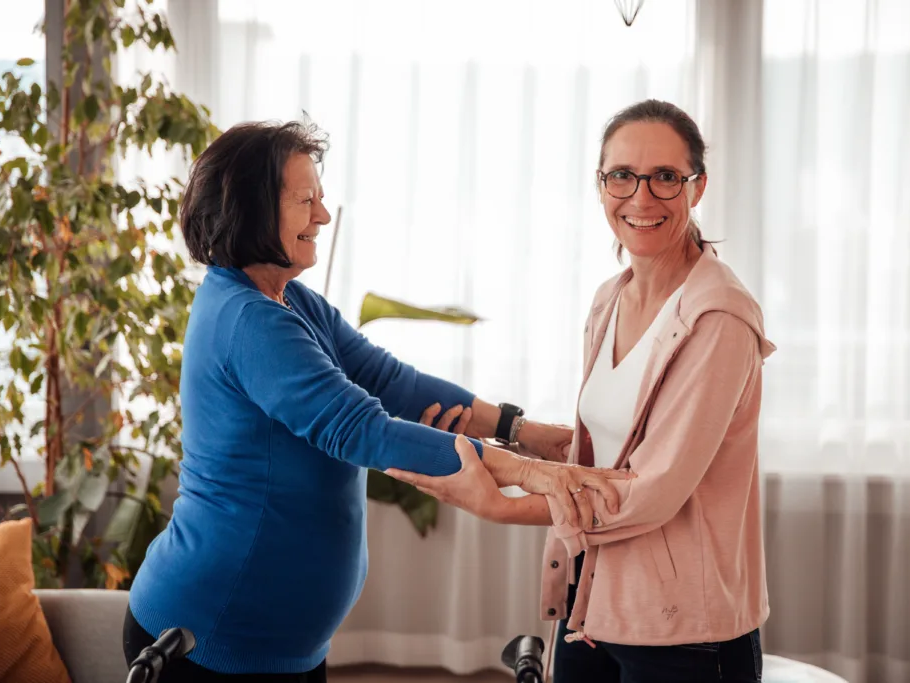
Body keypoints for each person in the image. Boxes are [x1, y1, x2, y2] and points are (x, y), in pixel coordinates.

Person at [121, 120, 633, 683]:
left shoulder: (292, 303)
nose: (322, 214)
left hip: (280, 645)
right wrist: (532, 474)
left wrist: (523, 429)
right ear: (252, 208)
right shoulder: (248, 321)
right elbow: (365, 429)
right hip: (208, 639)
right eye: (305, 199)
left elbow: (393, 382)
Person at [390, 100, 775, 682]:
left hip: (685, 632)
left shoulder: (718, 318)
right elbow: (613, 453)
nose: (641, 198)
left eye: (666, 177)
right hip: (592, 605)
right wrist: (510, 437)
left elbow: (651, 489)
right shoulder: (610, 299)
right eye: (621, 175)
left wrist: (499, 502)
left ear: (697, 188)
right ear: (600, 185)